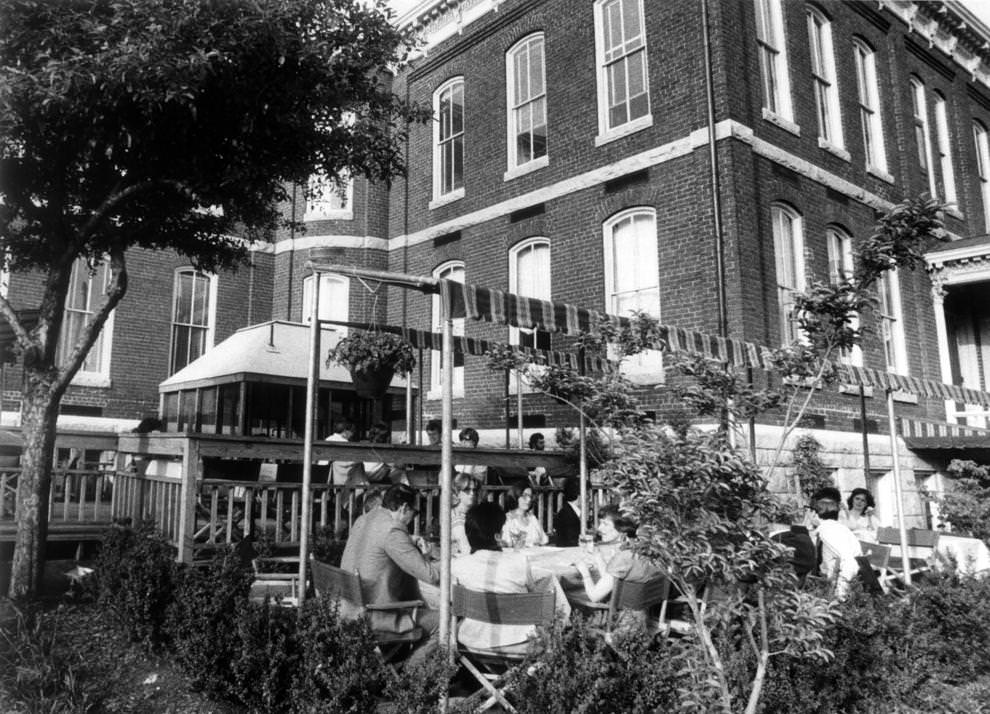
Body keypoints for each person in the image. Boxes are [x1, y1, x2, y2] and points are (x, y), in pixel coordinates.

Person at [340, 483, 440, 665]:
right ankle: (408, 680)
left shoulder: (364, 519)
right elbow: (431, 575)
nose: (413, 519)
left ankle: (394, 667)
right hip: (376, 616)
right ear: (403, 508)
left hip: (347, 610)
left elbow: (376, 543)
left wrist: (408, 540)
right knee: (444, 623)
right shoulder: (393, 530)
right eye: (415, 513)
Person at [452, 501, 566, 654]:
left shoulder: (459, 565)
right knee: (550, 591)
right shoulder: (518, 562)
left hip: (472, 639)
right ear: (497, 536)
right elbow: (532, 596)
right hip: (519, 640)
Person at [574, 513, 664, 635]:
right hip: (641, 614)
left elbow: (594, 596)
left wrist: (584, 572)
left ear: (623, 531)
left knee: (569, 591)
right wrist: (598, 556)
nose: (599, 529)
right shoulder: (646, 551)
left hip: (623, 623)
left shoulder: (624, 557)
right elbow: (611, 579)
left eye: (605, 524)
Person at [808, 487, 861, 600]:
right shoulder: (827, 528)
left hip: (835, 590)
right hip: (825, 584)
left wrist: (840, 597)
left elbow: (850, 564)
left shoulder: (829, 530)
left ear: (814, 512)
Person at [501, 483, 549, 548]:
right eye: (524, 496)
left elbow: (544, 541)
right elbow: (505, 545)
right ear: (515, 496)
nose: (529, 500)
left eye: (530, 496)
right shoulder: (508, 519)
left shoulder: (532, 518)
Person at [324, 420, 363, 486]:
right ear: (345, 431)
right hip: (336, 476)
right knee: (358, 465)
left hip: (323, 472)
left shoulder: (327, 439)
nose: (352, 434)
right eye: (351, 431)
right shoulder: (345, 442)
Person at [451, 472, 482, 557]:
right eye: (467, 490)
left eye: (474, 490)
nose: (472, 493)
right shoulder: (457, 517)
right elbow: (466, 549)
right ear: (457, 492)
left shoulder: (472, 514)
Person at [552, 477, 583, 547]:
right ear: (580, 495)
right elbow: (572, 542)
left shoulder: (569, 511)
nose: (589, 497)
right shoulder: (567, 516)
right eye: (587, 493)